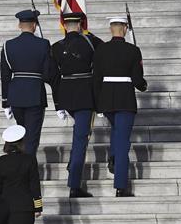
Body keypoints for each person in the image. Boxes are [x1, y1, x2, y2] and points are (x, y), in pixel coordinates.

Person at [93, 16, 147, 196]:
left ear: (111, 29)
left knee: (117, 131)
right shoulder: (133, 50)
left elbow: (96, 78)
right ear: (124, 29)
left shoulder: (101, 50)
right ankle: (120, 185)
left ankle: (114, 157)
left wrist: (97, 103)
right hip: (125, 98)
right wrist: (143, 85)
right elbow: (138, 79)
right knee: (123, 141)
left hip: (106, 98)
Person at [51, 12, 103, 197]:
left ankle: (72, 163)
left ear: (64, 26)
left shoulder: (56, 47)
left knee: (79, 135)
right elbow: (104, 54)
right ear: (80, 25)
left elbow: (51, 76)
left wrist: (58, 100)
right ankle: (74, 185)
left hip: (67, 96)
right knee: (81, 139)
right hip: (85, 97)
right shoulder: (90, 42)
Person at [0, 8, 55, 155]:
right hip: (35, 94)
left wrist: (5, 102)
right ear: (35, 25)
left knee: (21, 135)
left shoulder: (8, 45)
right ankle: (28, 170)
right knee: (32, 137)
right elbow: (47, 73)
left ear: (19, 25)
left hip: (16, 95)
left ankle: (22, 168)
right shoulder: (43, 44)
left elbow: (5, 75)